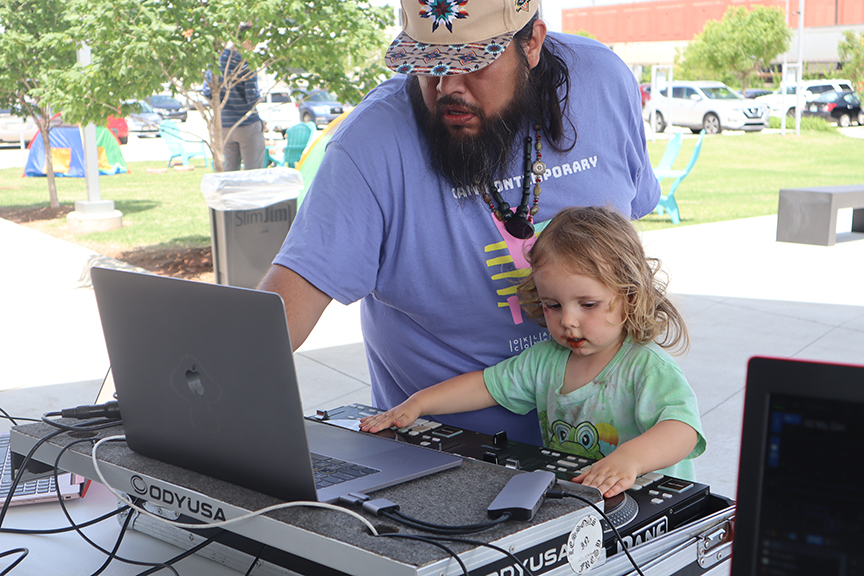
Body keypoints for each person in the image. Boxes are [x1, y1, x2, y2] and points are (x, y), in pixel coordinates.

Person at [258, 0, 661, 445]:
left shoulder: (603, 81)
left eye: (473, 61)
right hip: (445, 453)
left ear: (532, 43)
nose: (447, 86)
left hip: (608, 451)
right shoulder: (369, 143)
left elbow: (624, 252)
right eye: (426, 63)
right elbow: (280, 314)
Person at [359, 206, 705, 498]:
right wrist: (418, 404)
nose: (567, 321)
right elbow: (485, 385)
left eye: (588, 304)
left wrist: (631, 459)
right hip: (587, 502)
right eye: (552, 305)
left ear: (630, 296)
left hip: (651, 504)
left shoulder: (647, 367)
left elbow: (683, 429)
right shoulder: (546, 360)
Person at [203, 22, 265, 171]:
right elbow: (251, 97)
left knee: (229, 173)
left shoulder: (217, 59)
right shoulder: (246, 62)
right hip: (246, 124)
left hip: (223, 125)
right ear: (249, 41)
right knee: (253, 172)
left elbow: (206, 91)